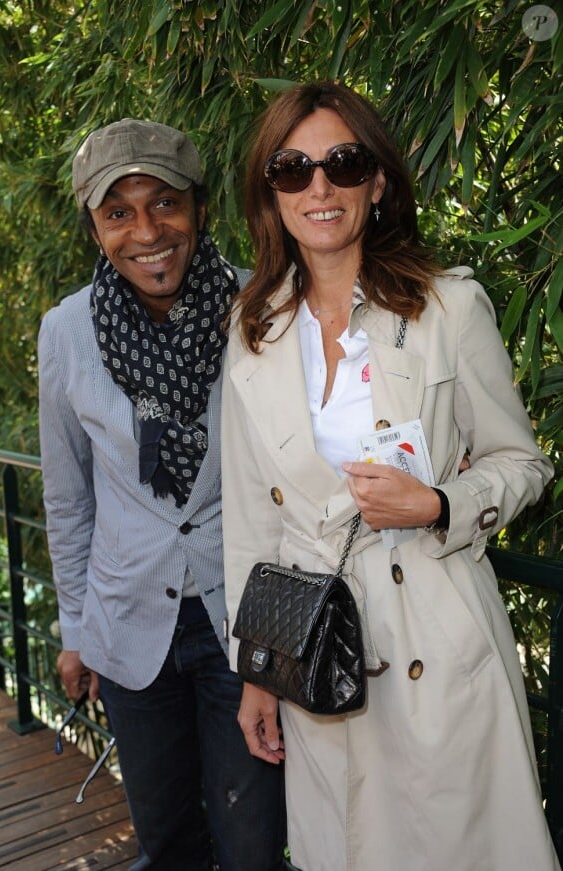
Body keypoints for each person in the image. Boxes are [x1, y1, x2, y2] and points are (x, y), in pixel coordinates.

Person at [221, 82, 560, 871]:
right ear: (269, 194)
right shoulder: (255, 333)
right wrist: (258, 672)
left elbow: (524, 463)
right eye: (292, 168)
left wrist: (441, 502)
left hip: (437, 640)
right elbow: (250, 521)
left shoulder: (446, 308)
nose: (319, 187)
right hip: (319, 650)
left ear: (377, 181)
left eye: (343, 162)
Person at [38, 119, 285, 871]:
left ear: (198, 209)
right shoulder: (66, 331)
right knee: (166, 839)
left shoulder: (262, 306)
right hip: (126, 625)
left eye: (164, 204)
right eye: (119, 212)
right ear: (95, 226)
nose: (147, 231)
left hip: (240, 622)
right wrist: (74, 627)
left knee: (251, 844)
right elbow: (69, 496)